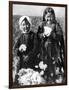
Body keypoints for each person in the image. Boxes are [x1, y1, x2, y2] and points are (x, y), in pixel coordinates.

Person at [37, 7, 65, 82]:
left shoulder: (56, 25)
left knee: (53, 61)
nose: (49, 19)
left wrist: (52, 34)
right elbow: (38, 35)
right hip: (44, 47)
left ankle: (54, 75)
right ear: (44, 16)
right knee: (45, 60)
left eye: (51, 16)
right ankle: (46, 74)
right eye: (47, 17)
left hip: (53, 47)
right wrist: (42, 35)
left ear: (54, 16)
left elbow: (60, 36)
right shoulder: (42, 24)